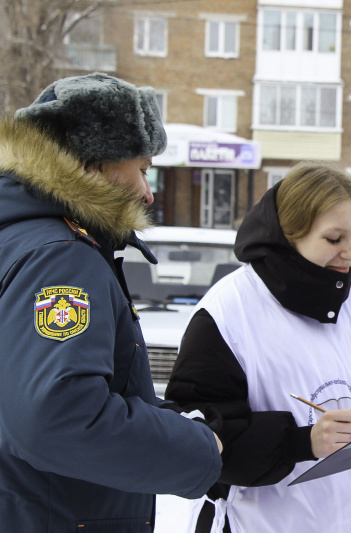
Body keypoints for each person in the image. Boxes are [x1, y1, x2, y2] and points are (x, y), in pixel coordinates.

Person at [0, 73, 222, 531]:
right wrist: (197, 449)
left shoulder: (19, 239)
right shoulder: (60, 258)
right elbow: (58, 417)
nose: (148, 191)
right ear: (94, 164)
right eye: (142, 168)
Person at [165, 161, 351, 533]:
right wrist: (300, 441)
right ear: (289, 235)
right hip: (257, 521)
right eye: (334, 238)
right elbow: (198, 438)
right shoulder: (228, 311)